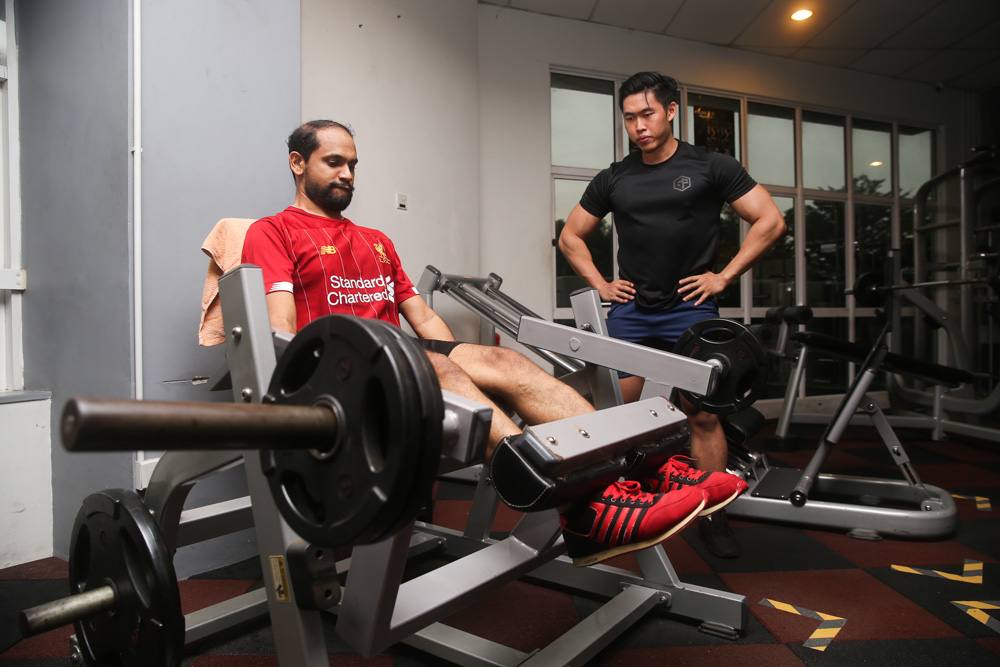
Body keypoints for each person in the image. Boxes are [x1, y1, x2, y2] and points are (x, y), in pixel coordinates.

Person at [242, 119, 746, 566]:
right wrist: (432, 369)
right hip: (341, 379)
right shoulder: (273, 232)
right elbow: (285, 334)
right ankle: (582, 508)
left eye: (353, 163)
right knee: (439, 370)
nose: (348, 173)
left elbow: (425, 323)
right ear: (297, 163)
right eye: (334, 162)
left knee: (499, 357)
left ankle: (641, 469)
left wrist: (462, 361)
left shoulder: (376, 240)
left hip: (395, 364)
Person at [558, 72, 785, 558]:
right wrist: (601, 284)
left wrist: (724, 276)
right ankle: (615, 505)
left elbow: (770, 220)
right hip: (633, 313)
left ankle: (715, 515)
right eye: (629, 118)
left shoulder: (711, 166)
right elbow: (570, 236)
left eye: (647, 114)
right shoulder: (615, 177)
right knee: (610, 408)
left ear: (671, 111)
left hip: (690, 310)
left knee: (702, 415)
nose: (639, 126)